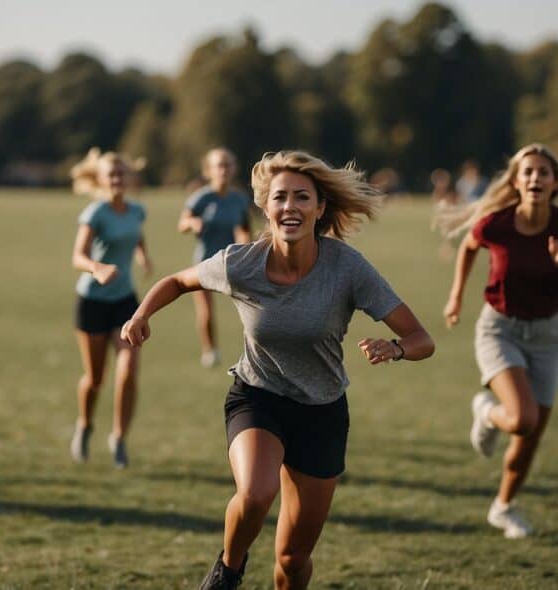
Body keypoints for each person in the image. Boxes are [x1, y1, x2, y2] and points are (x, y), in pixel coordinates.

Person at [121, 150, 434, 589]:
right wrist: (140, 316)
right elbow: (177, 281)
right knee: (255, 493)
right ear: (265, 208)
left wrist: (395, 348)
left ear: (320, 208)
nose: (290, 207)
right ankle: (228, 570)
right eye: (280, 198)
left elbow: (423, 340)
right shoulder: (241, 262)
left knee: (292, 559)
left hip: (322, 412)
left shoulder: (347, 268)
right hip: (258, 396)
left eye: (302, 197)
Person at [436, 143, 558, 538]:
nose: (535, 178)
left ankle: (503, 507)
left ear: (555, 183)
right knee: (522, 418)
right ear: (515, 181)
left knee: (529, 437)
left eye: (544, 172)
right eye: (527, 172)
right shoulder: (497, 223)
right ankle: (486, 411)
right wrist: (456, 295)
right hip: (500, 329)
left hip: (547, 336)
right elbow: (469, 246)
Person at [69, 148, 152, 469]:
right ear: (102, 181)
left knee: (129, 370)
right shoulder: (95, 213)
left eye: (121, 174)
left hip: (125, 302)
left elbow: (136, 235)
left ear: (128, 178)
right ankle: (85, 424)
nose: (117, 179)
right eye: (111, 175)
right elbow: (77, 255)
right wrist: (96, 268)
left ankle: (118, 437)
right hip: (91, 302)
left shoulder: (137, 211)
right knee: (95, 379)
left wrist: (143, 255)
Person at [177, 148, 252, 368]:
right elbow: (182, 223)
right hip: (205, 261)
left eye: (227, 165)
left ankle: (255, 351)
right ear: (208, 170)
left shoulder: (239, 199)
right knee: (206, 311)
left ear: (234, 168)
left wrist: (246, 245)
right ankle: (210, 351)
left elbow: (244, 227)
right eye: (219, 165)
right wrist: (192, 223)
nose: (224, 170)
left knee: (251, 306)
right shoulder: (201, 198)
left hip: (233, 261)